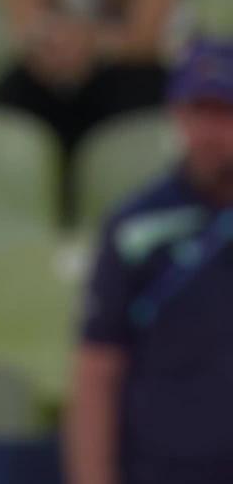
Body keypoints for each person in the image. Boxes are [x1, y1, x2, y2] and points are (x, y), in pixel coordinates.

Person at [67, 38, 233, 484]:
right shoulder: (135, 227)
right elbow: (98, 367)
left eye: (226, 112)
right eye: (199, 111)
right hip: (162, 467)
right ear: (178, 116)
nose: (211, 131)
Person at [0, 0, 185, 223]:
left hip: (135, 65)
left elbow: (146, 37)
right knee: (14, 93)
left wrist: (91, 43)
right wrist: (53, 47)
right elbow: (25, 28)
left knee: (131, 89)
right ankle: (36, 219)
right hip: (63, 64)